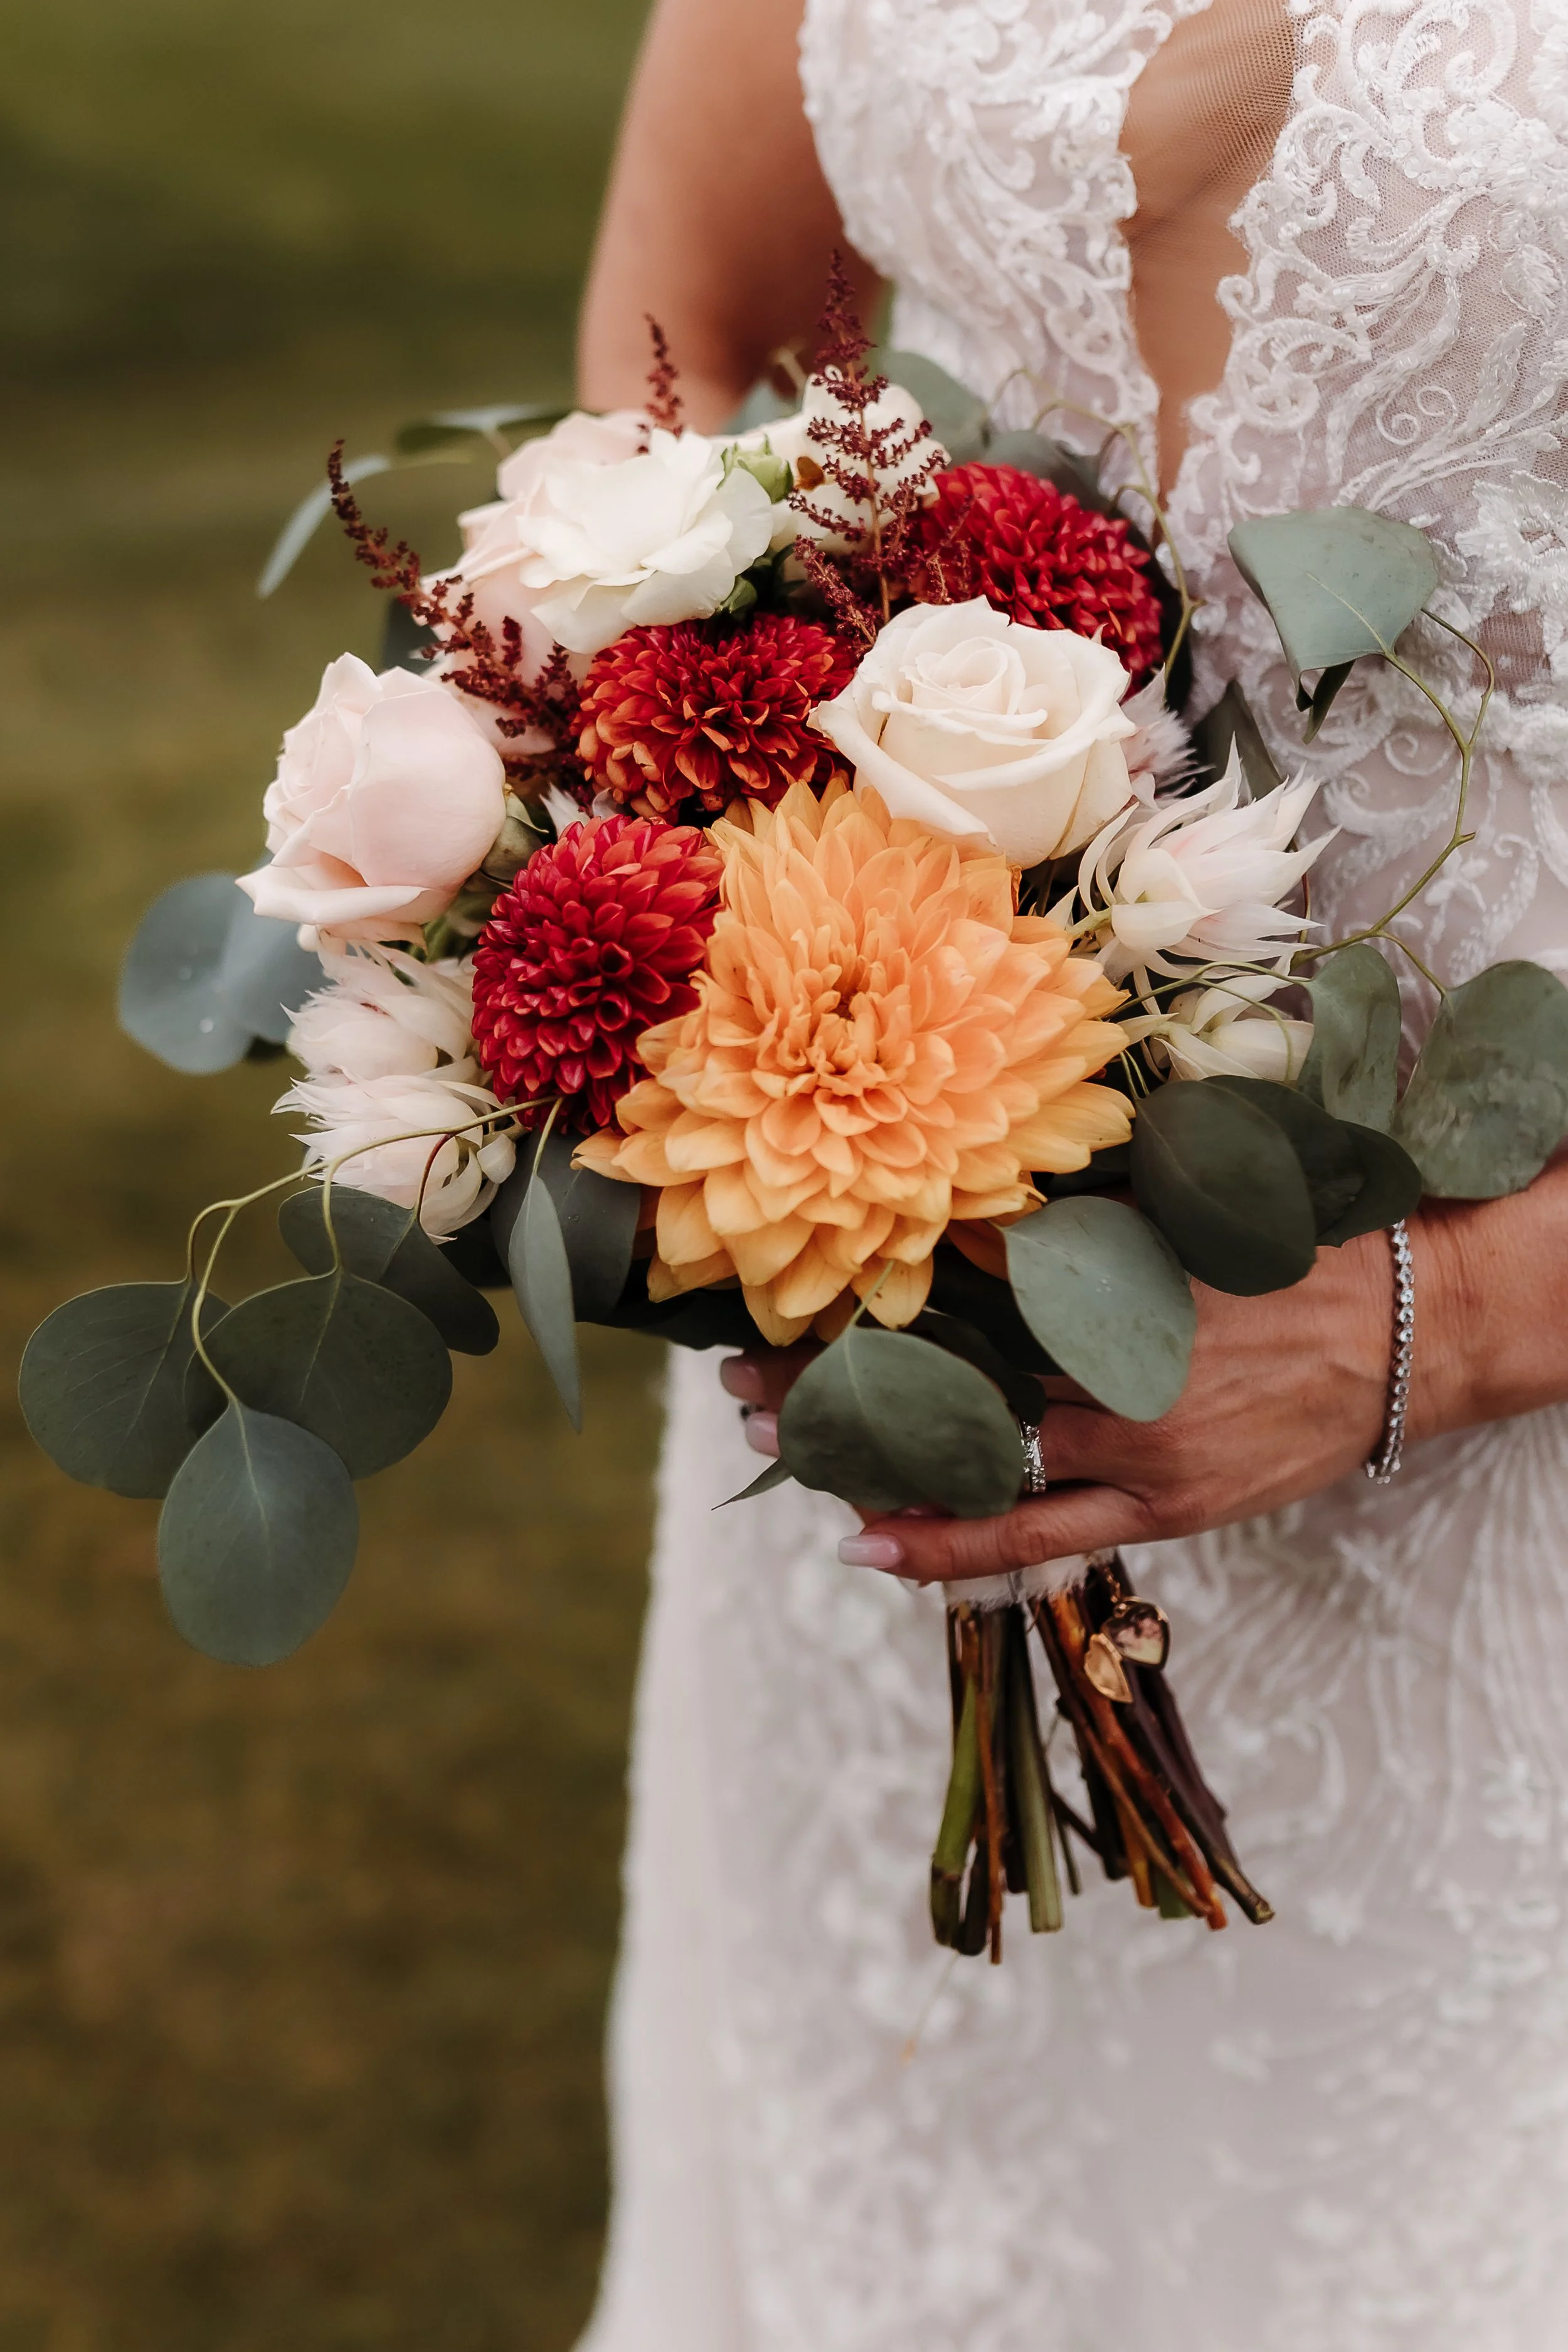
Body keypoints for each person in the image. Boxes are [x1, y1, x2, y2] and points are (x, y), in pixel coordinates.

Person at [573, 1, 1568, 2343]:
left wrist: (1454, 1317)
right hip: (894, 1362)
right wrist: (659, 842)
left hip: (1494, 1547)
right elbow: (686, 313)